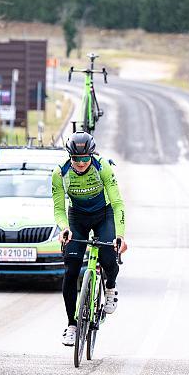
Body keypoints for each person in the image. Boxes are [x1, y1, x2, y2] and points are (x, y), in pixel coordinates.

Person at [52, 131, 127, 347]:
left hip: (104, 215)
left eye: (86, 158)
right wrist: (64, 227)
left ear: (91, 155)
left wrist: (120, 235)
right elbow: (58, 208)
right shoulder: (60, 173)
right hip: (77, 218)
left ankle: (110, 286)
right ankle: (72, 325)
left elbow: (117, 202)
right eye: (77, 159)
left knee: (108, 256)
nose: (82, 163)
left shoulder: (102, 167)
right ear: (70, 157)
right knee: (70, 269)